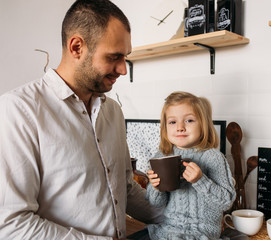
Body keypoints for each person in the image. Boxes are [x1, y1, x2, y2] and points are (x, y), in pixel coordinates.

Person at [0, 0, 163, 239]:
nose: (123, 69)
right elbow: (12, 224)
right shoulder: (18, 110)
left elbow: (125, 191)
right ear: (76, 47)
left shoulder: (114, 112)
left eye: (125, 57)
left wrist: (189, 218)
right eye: (114, 57)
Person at [146, 91, 236, 239]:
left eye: (189, 120)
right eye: (173, 122)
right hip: (170, 228)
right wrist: (155, 187)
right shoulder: (162, 156)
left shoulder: (213, 158)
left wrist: (200, 181)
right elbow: (155, 202)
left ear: (203, 124)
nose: (180, 127)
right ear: (165, 127)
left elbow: (226, 202)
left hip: (203, 231)